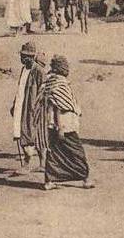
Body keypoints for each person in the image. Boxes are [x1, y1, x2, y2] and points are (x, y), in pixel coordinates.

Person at [38, 55, 94, 190]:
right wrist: (61, 127)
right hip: (63, 126)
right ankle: (85, 178)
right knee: (77, 152)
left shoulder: (51, 83)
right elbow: (59, 107)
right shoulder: (59, 84)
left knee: (55, 153)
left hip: (53, 125)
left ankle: (49, 181)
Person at [10, 41, 47, 174]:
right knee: (27, 133)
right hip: (22, 106)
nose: (21, 59)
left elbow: (43, 91)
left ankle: (28, 165)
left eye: (23, 56)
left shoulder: (39, 71)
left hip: (33, 109)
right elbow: (20, 89)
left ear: (30, 57)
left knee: (32, 134)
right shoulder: (24, 69)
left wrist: (38, 108)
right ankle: (37, 163)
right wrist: (14, 104)